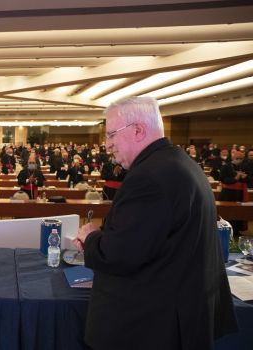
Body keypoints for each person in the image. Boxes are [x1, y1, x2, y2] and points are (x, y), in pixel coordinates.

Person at [73, 97, 237, 350]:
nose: (107, 144)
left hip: (151, 326)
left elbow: (119, 255)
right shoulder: (180, 163)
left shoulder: (149, 177)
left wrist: (90, 236)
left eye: (112, 134)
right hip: (179, 313)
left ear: (138, 130)